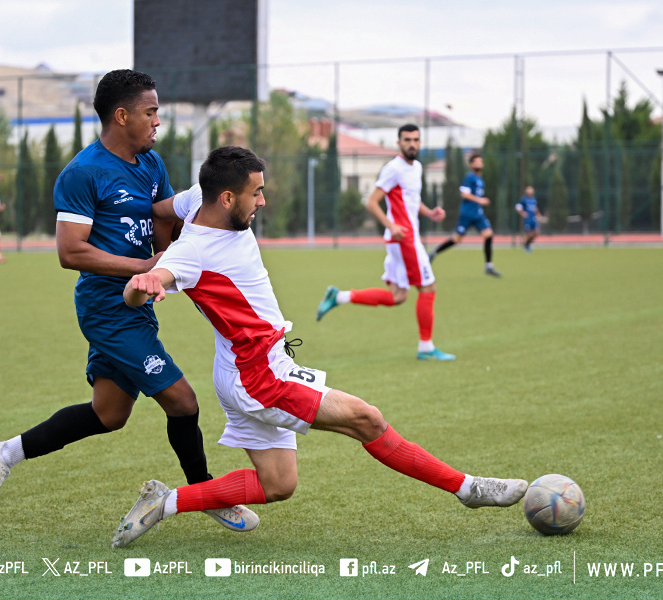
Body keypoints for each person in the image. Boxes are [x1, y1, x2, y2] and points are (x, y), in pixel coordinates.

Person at [111, 146, 527, 548]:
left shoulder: (196, 202)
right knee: (366, 418)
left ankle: (165, 502)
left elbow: (161, 209)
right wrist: (147, 279)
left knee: (278, 484)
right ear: (225, 198)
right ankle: (468, 488)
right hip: (260, 377)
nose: (263, 200)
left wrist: (158, 238)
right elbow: (141, 287)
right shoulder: (192, 252)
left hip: (242, 368)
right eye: (256, 193)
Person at [0, 70, 258, 534]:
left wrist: (199, 238)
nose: (157, 122)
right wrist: (144, 268)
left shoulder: (151, 165)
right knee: (183, 402)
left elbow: (166, 222)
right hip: (107, 309)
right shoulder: (84, 173)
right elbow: (71, 252)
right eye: (151, 113)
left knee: (108, 414)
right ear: (121, 115)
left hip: (137, 303)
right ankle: (206, 493)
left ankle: (2, 453)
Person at [315, 124, 455, 361]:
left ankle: (339, 296)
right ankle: (426, 348)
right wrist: (391, 226)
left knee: (398, 296)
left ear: (420, 143)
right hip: (403, 238)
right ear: (398, 143)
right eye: (407, 139)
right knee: (428, 287)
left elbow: (411, 200)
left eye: (416, 139)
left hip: (403, 237)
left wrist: (430, 213)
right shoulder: (393, 169)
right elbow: (371, 202)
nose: (412, 144)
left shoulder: (417, 167)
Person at [428, 153, 501, 278]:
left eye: (480, 161)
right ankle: (433, 253)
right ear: (471, 164)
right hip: (467, 214)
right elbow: (464, 194)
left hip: (478, 214)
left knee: (488, 235)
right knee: (456, 239)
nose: (479, 163)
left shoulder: (480, 179)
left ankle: (488, 266)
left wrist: (480, 202)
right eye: (476, 161)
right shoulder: (469, 177)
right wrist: (480, 200)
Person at [515, 186, 543, 253]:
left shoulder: (534, 199)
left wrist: (538, 214)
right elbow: (517, 207)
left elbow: (535, 208)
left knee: (536, 233)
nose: (530, 191)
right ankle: (527, 246)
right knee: (529, 234)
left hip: (533, 219)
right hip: (528, 219)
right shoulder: (524, 199)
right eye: (528, 190)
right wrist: (522, 213)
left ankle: (527, 243)